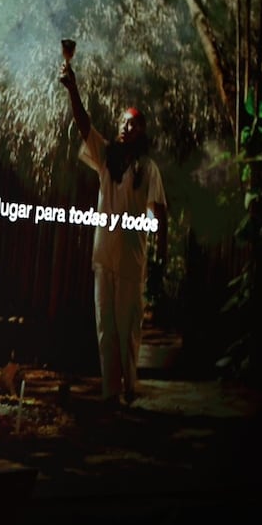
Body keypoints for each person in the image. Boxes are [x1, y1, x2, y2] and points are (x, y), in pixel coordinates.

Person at [59, 61, 167, 405]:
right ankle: (111, 392)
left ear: (143, 132)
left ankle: (130, 390)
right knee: (105, 330)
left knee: (127, 330)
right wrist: (73, 89)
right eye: (122, 122)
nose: (125, 126)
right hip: (103, 257)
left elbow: (159, 212)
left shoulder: (148, 169)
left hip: (132, 261)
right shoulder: (106, 158)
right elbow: (83, 125)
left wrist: (161, 256)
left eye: (132, 123)